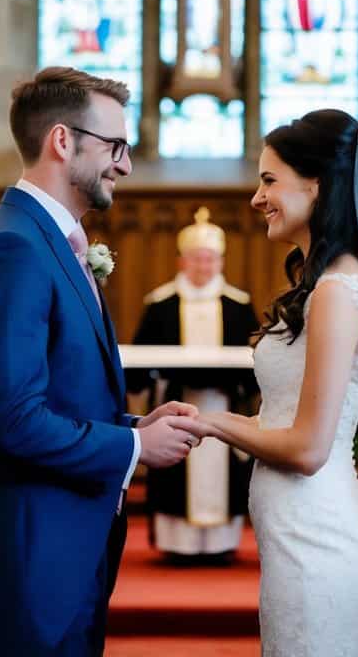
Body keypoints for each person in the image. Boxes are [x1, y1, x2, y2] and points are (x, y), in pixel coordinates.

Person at [177, 109, 358, 656]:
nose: (257, 198)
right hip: (297, 542)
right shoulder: (325, 287)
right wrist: (198, 417)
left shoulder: (338, 292)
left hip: (317, 548)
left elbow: (308, 448)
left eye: (269, 180)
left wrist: (214, 423)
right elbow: (280, 420)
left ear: (316, 185)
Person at [0, 67, 199, 657]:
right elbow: (15, 421)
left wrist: (135, 425)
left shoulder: (51, 241)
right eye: (115, 146)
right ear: (63, 141)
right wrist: (136, 451)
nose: (126, 164)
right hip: (33, 565)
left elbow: (57, 398)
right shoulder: (13, 248)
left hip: (69, 553)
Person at [129, 207, 258, 559]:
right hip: (176, 406)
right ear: (182, 262)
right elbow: (141, 361)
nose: (204, 267)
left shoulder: (238, 306)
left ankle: (221, 544)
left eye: (211, 259)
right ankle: (178, 544)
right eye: (197, 259)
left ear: (221, 262)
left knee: (225, 473)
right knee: (175, 472)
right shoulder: (161, 305)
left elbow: (254, 359)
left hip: (224, 405)